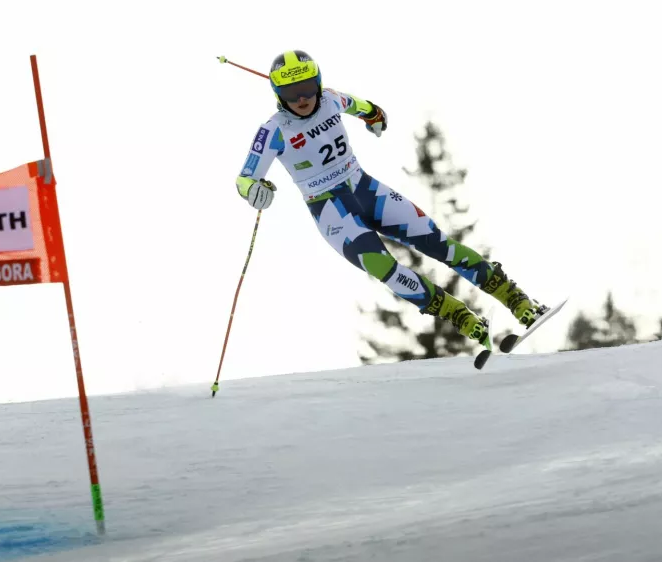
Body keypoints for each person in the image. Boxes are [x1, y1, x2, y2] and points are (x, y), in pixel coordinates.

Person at [234, 50, 546, 350]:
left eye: (305, 88)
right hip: (330, 209)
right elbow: (245, 177)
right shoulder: (273, 130)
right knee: (384, 267)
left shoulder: (331, 98)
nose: (301, 99)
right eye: (290, 93)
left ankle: (517, 300)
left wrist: (375, 116)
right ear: (278, 94)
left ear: (317, 82)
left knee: (438, 242)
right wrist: (254, 190)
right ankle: (461, 318)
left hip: (365, 189)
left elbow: (363, 107)